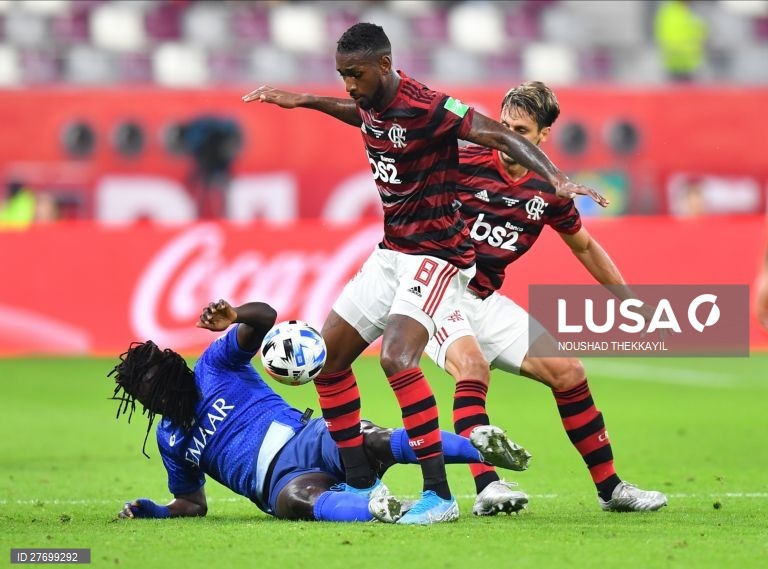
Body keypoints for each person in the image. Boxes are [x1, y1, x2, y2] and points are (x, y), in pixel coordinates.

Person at [242, 22, 607, 524]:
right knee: (330, 361)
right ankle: (361, 480)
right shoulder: (371, 100)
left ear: (385, 66)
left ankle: (439, 496)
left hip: (436, 256)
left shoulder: (429, 105)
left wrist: (556, 178)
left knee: (397, 360)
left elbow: (495, 131)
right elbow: (362, 116)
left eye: (356, 75)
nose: (349, 85)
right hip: (391, 253)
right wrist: (305, 100)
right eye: (342, 75)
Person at [422, 81, 667, 515]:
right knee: (473, 367)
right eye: (504, 125)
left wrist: (628, 299)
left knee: (569, 371)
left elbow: (585, 246)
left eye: (520, 128)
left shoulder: (549, 187)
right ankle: (487, 487)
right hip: (432, 293)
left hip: (482, 299)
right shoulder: (462, 159)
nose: (508, 135)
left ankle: (612, 490)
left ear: (542, 136)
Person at [110, 299, 531, 523]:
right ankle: (378, 509)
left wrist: (235, 314)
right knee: (296, 503)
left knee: (374, 439)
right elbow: (191, 503)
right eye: (149, 399)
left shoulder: (214, 365)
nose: (159, 400)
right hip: (282, 481)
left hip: (310, 438)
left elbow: (265, 319)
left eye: (159, 388)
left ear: (174, 371)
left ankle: (480, 450)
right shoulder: (171, 440)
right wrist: (156, 509)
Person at [654, 0, 708, 83]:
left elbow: (699, 31)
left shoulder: (688, 11)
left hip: (691, 65)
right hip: (676, 65)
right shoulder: (671, 13)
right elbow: (672, 41)